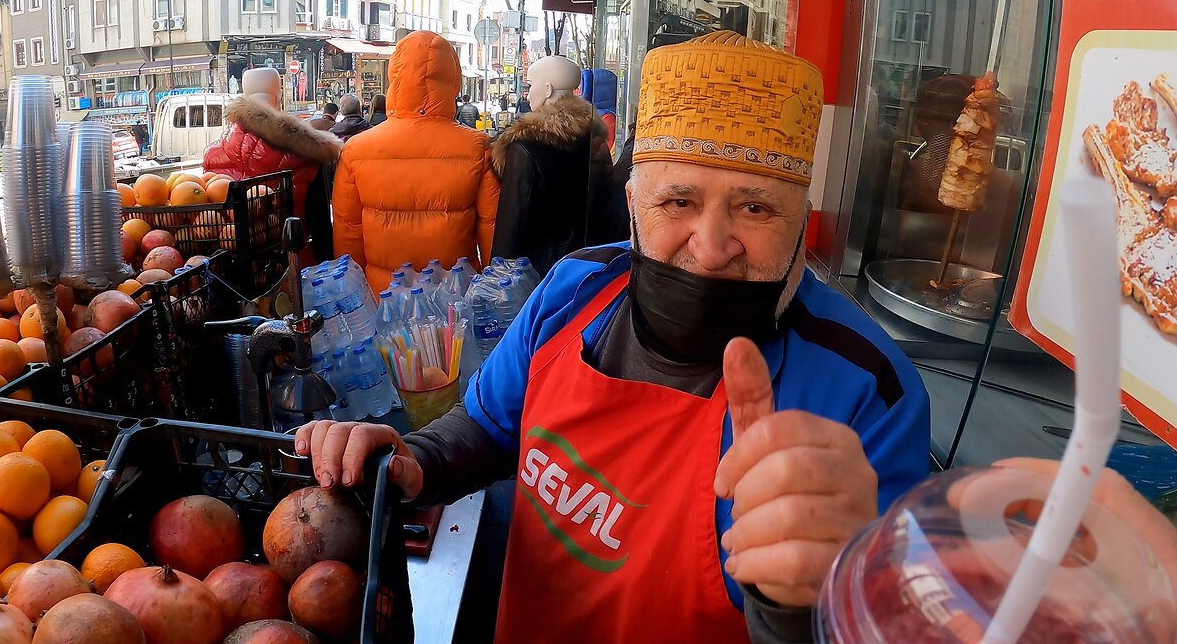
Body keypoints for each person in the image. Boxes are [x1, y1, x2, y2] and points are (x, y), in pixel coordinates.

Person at [296, 32, 930, 643]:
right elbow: (489, 426)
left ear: (803, 222)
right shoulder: (576, 288)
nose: (709, 250)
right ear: (632, 204)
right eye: (677, 202)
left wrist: (807, 605)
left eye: (756, 208)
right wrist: (416, 461)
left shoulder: (868, 392)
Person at [332, 31, 500, 292]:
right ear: (452, 79)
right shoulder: (478, 148)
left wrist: (353, 294)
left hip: (383, 297)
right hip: (455, 297)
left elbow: (348, 230)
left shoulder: (357, 149)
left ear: (395, 76)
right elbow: (491, 229)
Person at [490, 55, 616, 275]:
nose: (528, 94)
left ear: (547, 89)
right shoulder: (595, 141)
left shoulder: (526, 147)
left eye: (530, 85)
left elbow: (510, 232)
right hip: (588, 268)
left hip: (538, 276)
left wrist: (496, 282)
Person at [203, 67, 341, 263]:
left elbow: (208, 223)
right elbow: (321, 227)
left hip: (237, 270)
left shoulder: (213, 155)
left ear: (244, 96)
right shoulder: (309, 155)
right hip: (295, 266)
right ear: (279, 97)